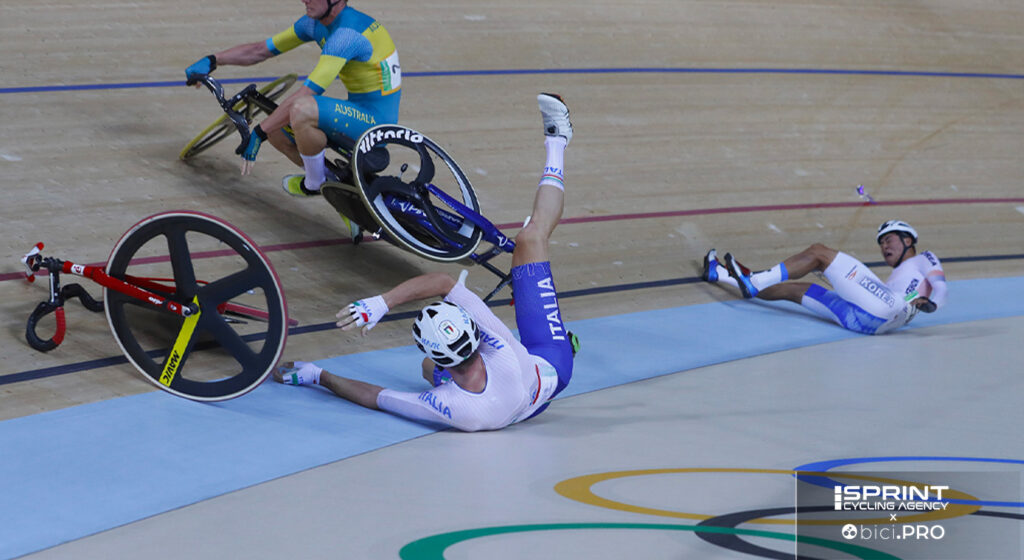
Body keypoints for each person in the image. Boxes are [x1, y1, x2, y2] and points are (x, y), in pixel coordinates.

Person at [274, 93, 576, 432]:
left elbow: (377, 397)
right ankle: (557, 140)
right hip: (551, 363)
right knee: (530, 238)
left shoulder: (455, 408)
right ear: (476, 338)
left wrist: (324, 375)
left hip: (511, 394)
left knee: (426, 368)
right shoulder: (502, 352)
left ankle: (557, 142)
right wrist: (320, 373)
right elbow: (445, 286)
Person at [185, 0, 401, 197]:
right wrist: (213, 60)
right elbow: (261, 50)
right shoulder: (314, 23)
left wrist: (259, 134)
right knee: (278, 130)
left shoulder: (347, 34)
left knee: (301, 110)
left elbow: (308, 94)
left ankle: (316, 184)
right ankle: (336, 189)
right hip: (358, 109)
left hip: (376, 124)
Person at [702, 220, 947, 335]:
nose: (884, 247)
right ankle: (722, 275)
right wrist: (920, 301)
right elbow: (910, 297)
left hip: (886, 307)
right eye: (881, 243)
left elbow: (940, 289)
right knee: (797, 291)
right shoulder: (900, 282)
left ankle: (753, 282)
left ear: (908, 240)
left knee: (819, 253)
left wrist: (933, 303)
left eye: (888, 240)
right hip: (868, 323)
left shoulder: (924, 258)